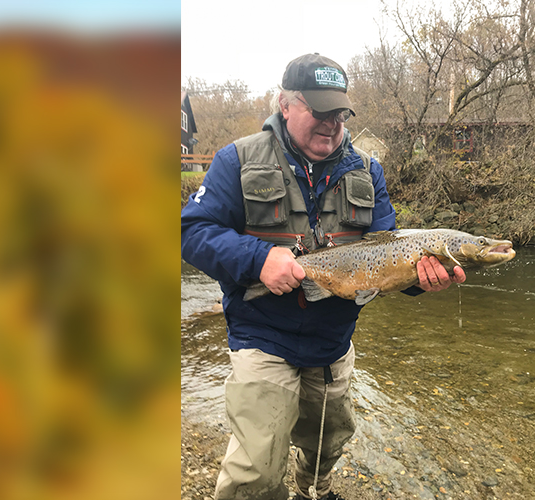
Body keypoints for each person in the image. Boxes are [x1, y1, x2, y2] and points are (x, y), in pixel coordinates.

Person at [181, 53, 466, 500]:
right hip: (262, 336)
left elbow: (388, 253)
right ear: (286, 104)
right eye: (319, 110)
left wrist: (419, 279)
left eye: (339, 113)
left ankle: (315, 488)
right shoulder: (236, 160)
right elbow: (192, 232)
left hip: (333, 342)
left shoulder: (367, 171)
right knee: (254, 469)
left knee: (327, 443)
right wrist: (258, 260)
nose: (331, 124)